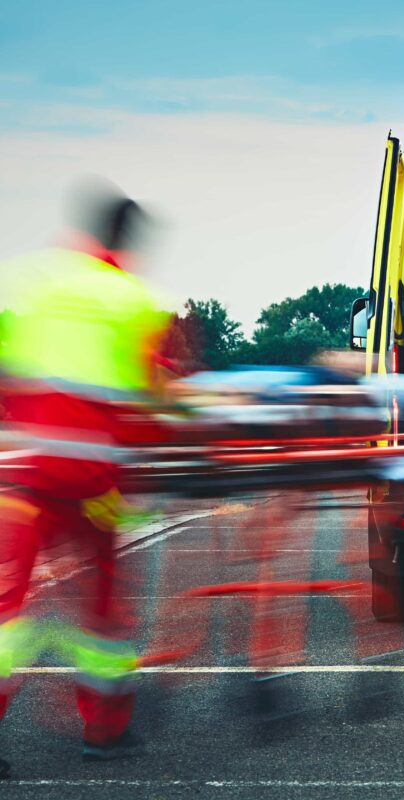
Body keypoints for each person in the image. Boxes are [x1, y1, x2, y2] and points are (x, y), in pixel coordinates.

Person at [0, 180, 169, 773]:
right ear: (127, 239)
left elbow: (7, 375)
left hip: (29, 473)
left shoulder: (33, 282)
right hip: (95, 481)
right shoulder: (132, 302)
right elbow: (148, 403)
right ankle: (103, 731)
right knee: (103, 614)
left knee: (8, 609)